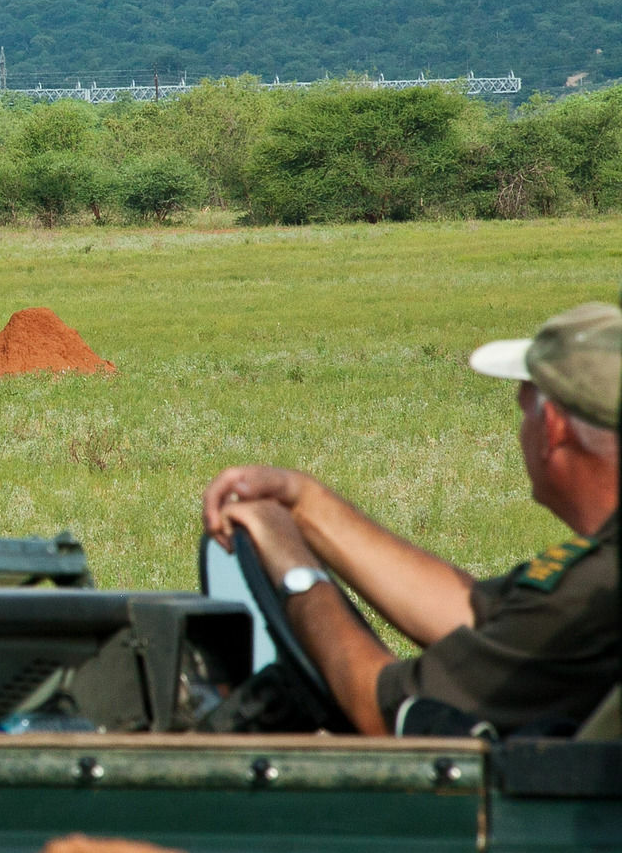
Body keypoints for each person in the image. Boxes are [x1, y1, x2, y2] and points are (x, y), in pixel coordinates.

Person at [200, 302, 620, 736]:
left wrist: (293, 566)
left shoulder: (597, 590)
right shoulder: (595, 574)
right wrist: (302, 502)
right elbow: (477, 617)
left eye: (523, 409)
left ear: (552, 427)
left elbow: (381, 708)